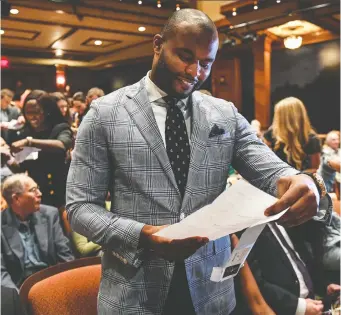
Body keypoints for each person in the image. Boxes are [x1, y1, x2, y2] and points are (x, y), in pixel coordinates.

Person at [66, 9, 331, 315]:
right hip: (136, 293)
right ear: (157, 45)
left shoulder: (224, 114)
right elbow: (80, 209)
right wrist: (143, 236)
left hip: (212, 294)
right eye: (185, 56)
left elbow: (273, 170)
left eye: (206, 63)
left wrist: (300, 180)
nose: (195, 71)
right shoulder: (104, 114)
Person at [245, 220, 340, 315]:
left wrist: (324, 286)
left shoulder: (284, 219)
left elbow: (302, 261)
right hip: (284, 309)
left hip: (312, 303)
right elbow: (253, 283)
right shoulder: (246, 232)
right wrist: (298, 306)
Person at [1, 174, 74, 290]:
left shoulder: (50, 214)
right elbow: (1, 272)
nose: (40, 194)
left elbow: (64, 254)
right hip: (20, 288)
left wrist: (71, 283)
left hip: (51, 280)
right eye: (33, 190)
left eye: (38, 188)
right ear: (16, 199)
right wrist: (17, 297)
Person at [10, 93, 73, 208]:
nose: (32, 117)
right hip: (39, 196)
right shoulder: (25, 133)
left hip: (62, 193)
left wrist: (29, 142)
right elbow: (21, 168)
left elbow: (61, 145)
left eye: (37, 112)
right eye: (28, 113)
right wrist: (9, 160)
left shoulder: (60, 128)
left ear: (47, 111)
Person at [264, 97, 321, 171]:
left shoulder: (311, 138)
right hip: (278, 178)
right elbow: (266, 162)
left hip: (303, 179)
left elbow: (314, 168)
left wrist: (298, 177)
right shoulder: (271, 134)